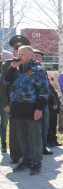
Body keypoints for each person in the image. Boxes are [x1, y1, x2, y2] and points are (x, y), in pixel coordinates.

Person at [5, 46, 49, 175]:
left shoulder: (38, 70)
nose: (18, 56)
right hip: (17, 108)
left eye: (22, 54)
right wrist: (12, 67)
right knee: (22, 136)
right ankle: (26, 161)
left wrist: (39, 109)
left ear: (30, 56)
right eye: (18, 53)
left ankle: (36, 162)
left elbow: (44, 92)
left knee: (35, 137)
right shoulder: (16, 68)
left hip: (32, 108)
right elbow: (6, 81)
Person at [2, 35, 29, 163]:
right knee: (15, 130)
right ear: (13, 50)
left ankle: (27, 154)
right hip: (13, 103)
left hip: (29, 104)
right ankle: (15, 155)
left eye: (20, 49)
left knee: (28, 129)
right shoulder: (6, 65)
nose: (18, 52)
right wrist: (5, 104)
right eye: (16, 49)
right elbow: (2, 87)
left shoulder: (32, 65)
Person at [33, 49, 53, 155]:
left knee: (45, 126)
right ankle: (35, 149)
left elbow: (48, 86)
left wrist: (52, 99)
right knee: (35, 128)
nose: (37, 58)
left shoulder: (43, 69)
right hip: (34, 103)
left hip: (44, 102)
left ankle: (43, 147)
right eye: (35, 55)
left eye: (39, 56)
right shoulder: (29, 69)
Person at [0, 50, 13, 153]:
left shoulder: (13, 71)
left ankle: (4, 145)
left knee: (5, 125)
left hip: (8, 103)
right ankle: (4, 145)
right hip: (5, 104)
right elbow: (3, 90)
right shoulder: (5, 72)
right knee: (4, 125)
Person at [46, 75, 62, 147]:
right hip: (48, 107)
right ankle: (49, 141)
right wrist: (53, 103)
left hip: (54, 107)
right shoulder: (42, 84)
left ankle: (53, 140)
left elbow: (54, 94)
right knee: (49, 125)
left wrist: (57, 103)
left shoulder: (49, 84)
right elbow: (48, 96)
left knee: (54, 124)